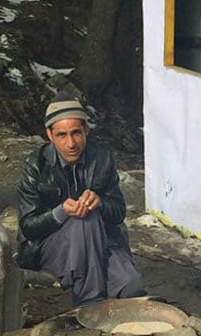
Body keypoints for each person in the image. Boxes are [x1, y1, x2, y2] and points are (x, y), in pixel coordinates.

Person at [16, 91, 145, 306]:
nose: (70, 144)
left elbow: (118, 213)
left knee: (131, 288)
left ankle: (100, 303)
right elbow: (29, 226)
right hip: (50, 248)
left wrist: (101, 203)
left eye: (76, 133)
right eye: (62, 135)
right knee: (84, 220)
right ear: (50, 134)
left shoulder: (102, 158)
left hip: (101, 243)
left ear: (86, 129)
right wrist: (60, 212)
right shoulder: (36, 165)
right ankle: (89, 302)